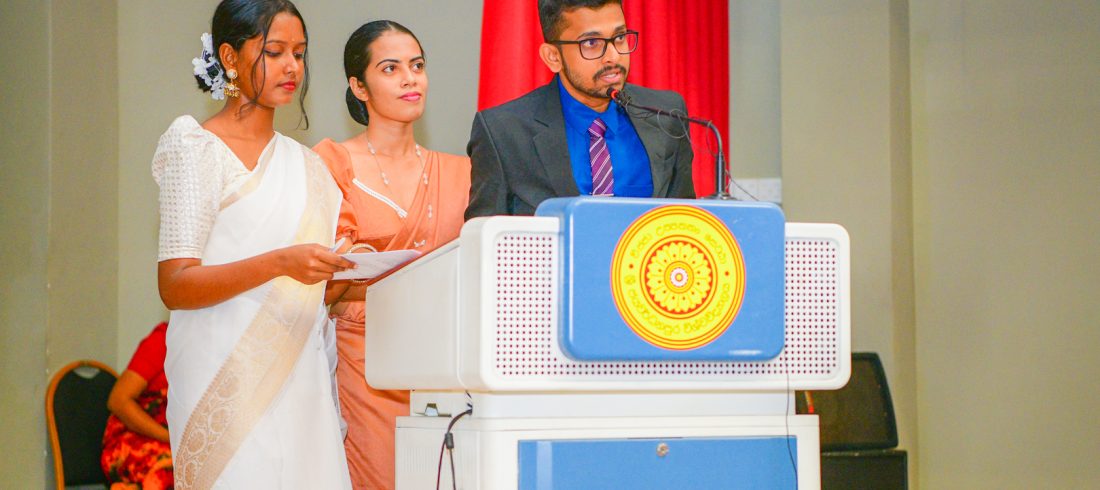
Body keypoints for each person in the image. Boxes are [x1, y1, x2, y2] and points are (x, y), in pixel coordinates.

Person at [153, 1, 354, 488]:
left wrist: (345, 270)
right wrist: (281, 262)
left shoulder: (309, 167)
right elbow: (175, 284)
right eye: (274, 52)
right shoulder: (196, 148)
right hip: (223, 379)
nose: (292, 67)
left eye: (299, 54)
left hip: (299, 378)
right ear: (230, 56)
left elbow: (314, 291)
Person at [313, 20, 471, 490]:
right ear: (358, 86)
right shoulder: (332, 162)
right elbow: (324, 278)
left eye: (417, 66)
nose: (409, 79)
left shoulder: (462, 172)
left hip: (444, 364)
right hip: (366, 366)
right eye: (390, 68)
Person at [465, 0, 696, 219]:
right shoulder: (503, 133)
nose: (613, 56)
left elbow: (685, 224)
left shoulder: (665, 115)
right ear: (553, 57)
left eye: (619, 38)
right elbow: (482, 236)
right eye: (591, 43)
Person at [101, 322, 173, 490]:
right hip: (135, 438)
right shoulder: (164, 338)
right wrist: (170, 438)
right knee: (175, 472)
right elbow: (118, 401)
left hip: (177, 442)